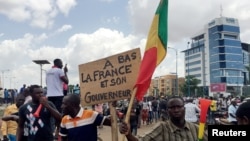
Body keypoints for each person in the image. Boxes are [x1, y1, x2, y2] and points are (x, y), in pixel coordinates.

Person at [119, 95, 208, 141]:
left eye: (178, 106)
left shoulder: (195, 129)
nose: (176, 110)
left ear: (183, 108)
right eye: (172, 108)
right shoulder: (162, 128)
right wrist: (128, 134)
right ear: (167, 110)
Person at [46, 58, 68, 138]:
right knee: (58, 114)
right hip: (58, 95)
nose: (62, 65)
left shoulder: (48, 72)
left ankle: (51, 131)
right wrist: (65, 72)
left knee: (51, 114)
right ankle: (58, 132)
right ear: (58, 63)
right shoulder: (59, 71)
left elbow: (47, 83)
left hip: (49, 95)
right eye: (61, 63)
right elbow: (66, 81)